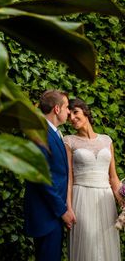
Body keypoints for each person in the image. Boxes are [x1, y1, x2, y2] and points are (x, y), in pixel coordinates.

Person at [63, 97, 121, 260]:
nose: (72, 118)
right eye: (69, 116)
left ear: (85, 112)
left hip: (106, 200)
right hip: (82, 198)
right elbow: (69, 178)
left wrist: (123, 203)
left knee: (105, 246)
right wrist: (68, 207)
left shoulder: (106, 140)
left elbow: (113, 178)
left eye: (76, 112)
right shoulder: (69, 141)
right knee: (87, 245)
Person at [24, 89, 76, 261]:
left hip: (53, 214)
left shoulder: (53, 133)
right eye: (67, 107)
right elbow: (42, 179)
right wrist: (63, 211)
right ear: (56, 109)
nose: (69, 112)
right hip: (47, 215)